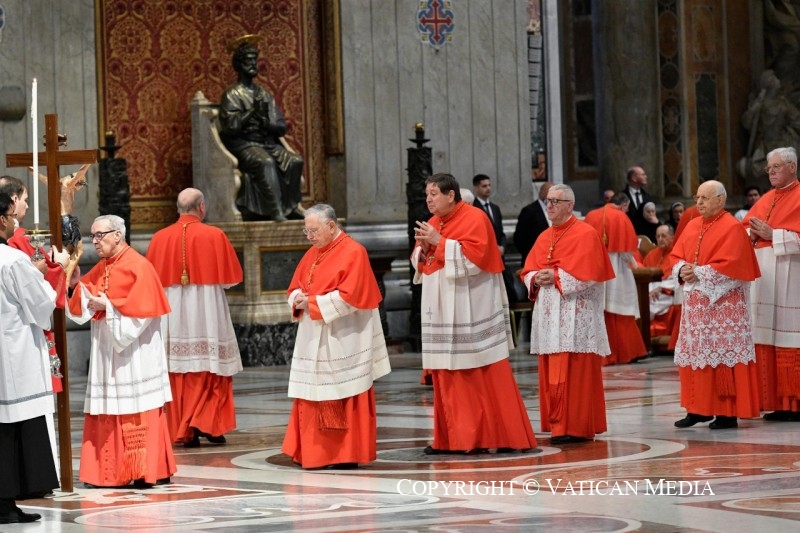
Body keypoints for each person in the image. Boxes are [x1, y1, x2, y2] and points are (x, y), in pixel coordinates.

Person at [413, 173, 537, 454]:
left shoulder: (475, 218)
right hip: (442, 310)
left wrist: (439, 242)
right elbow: (421, 262)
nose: (428, 199)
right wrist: (424, 249)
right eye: (427, 194)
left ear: (451, 195)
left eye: (434, 194)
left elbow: (476, 260)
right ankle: (449, 440)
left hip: (470, 306)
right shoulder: (434, 222)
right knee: (446, 373)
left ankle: (486, 438)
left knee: (476, 371)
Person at [66, 215, 176, 488]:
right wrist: (74, 285)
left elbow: (144, 312)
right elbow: (84, 299)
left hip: (135, 354)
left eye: (99, 235)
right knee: (108, 407)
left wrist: (109, 307)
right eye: (92, 236)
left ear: (117, 235)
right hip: (108, 352)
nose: (95, 241)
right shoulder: (103, 266)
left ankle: (143, 470)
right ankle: (108, 473)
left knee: (137, 407)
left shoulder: (140, 266)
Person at [283, 204, 391, 468]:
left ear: (331, 226)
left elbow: (352, 297)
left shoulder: (354, 252)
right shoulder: (313, 253)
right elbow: (295, 286)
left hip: (345, 336)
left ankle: (343, 454)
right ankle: (313, 452)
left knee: (341, 391)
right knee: (314, 392)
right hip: (314, 335)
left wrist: (313, 302)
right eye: (306, 231)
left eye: (313, 230)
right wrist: (297, 298)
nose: (309, 236)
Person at [146, 188, 244, 447]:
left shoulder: (159, 238)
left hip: (173, 315)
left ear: (178, 208)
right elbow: (231, 279)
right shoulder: (215, 235)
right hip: (208, 312)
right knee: (210, 364)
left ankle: (184, 428)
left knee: (178, 367)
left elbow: (151, 283)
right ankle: (209, 424)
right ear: (201, 207)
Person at [522, 184, 615, 443]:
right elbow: (527, 270)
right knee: (552, 370)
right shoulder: (544, 236)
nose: (550, 206)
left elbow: (591, 273)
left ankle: (576, 426)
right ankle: (557, 424)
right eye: (548, 201)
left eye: (556, 201)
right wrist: (535, 278)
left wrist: (555, 276)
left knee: (575, 370)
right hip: (549, 315)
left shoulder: (586, 234)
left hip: (577, 316)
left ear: (570, 205)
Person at [671, 180, 761, 429]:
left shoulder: (732, 227)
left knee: (721, 356)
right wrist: (682, 269)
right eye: (697, 197)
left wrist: (699, 272)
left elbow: (734, 265)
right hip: (695, 307)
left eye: (705, 198)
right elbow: (676, 256)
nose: (699, 202)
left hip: (722, 307)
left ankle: (725, 412)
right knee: (696, 354)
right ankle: (698, 409)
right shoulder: (692, 225)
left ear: (720, 200)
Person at [0, 193, 57, 524]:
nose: (14, 222)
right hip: (12, 356)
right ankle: (5, 504)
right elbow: (40, 305)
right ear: (1, 220)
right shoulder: (12, 260)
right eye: (11, 216)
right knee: (12, 428)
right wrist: (41, 276)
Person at [219, 35, 304, 222]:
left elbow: (280, 127)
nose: (253, 64)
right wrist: (251, 113)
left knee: (295, 161)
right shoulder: (232, 94)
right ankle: (275, 210)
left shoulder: (264, 94)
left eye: (254, 60)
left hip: (267, 142)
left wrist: (267, 123)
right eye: (248, 61)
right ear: (238, 65)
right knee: (265, 162)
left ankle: (291, 207)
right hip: (244, 144)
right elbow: (230, 127)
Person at [742, 147, 800, 421]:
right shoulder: (765, 199)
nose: (771, 172)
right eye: (769, 168)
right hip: (764, 279)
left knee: (790, 337)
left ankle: (795, 402)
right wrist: (751, 235)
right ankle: (776, 402)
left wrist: (773, 234)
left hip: (792, 277)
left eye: (777, 166)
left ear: (792, 167)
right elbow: (743, 231)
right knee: (766, 338)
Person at [583, 193, 647, 365]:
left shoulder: (591, 216)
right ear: (624, 206)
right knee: (619, 309)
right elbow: (627, 253)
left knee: (600, 310)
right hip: (616, 271)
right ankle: (625, 353)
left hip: (595, 270)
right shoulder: (621, 217)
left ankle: (601, 355)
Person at [643, 224, 681, 350]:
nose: (660, 239)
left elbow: (677, 279)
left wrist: (661, 288)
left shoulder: (677, 254)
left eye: (664, 236)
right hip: (649, 290)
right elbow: (644, 274)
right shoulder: (651, 255)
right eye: (658, 236)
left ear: (672, 237)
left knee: (650, 304)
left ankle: (647, 337)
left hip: (668, 292)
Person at [513, 181, 552, 265]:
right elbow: (519, 238)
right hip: (533, 261)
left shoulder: (556, 211)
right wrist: (531, 255)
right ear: (542, 193)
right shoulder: (529, 211)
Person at [621, 166, 655, 235]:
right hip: (628, 233)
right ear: (634, 178)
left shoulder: (647, 196)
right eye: (643, 174)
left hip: (645, 235)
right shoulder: (622, 196)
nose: (646, 177)